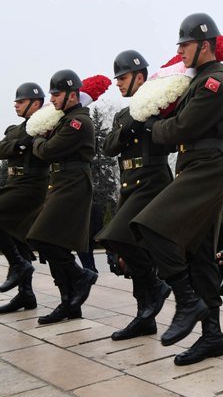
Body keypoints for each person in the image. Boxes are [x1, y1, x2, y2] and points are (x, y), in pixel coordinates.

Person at [130, 13, 223, 366]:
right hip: (193, 165)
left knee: (150, 224)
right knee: (200, 254)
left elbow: (180, 129)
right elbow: (178, 131)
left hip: (207, 166)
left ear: (204, 45)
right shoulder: (196, 81)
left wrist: (154, 126)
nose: (181, 51)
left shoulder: (214, 83)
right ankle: (213, 337)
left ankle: (187, 301)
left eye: (185, 44)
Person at [95, 50, 173, 340]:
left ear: (140, 77)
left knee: (115, 236)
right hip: (129, 183)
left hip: (152, 180)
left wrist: (149, 120)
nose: (118, 83)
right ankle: (145, 314)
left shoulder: (160, 105)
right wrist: (133, 124)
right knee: (126, 244)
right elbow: (110, 146)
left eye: (123, 77)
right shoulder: (123, 114)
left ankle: (154, 288)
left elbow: (171, 136)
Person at [27, 70, 97, 324]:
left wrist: (36, 140)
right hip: (62, 183)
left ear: (72, 94)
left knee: (41, 237)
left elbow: (47, 150)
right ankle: (69, 302)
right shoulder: (65, 120)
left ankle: (80, 277)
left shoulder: (77, 122)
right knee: (53, 243)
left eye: (56, 94)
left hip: (73, 184)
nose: (53, 99)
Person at [0, 83, 49, 313]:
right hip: (15, 184)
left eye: (21, 101)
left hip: (32, 185)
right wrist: (20, 144)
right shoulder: (16, 130)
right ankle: (26, 295)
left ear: (36, 104)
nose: (16, 104)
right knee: (17, 237)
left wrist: (22, 143)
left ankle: (18, 264)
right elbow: (2, 148)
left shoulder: (45, 125)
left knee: (15, 235)